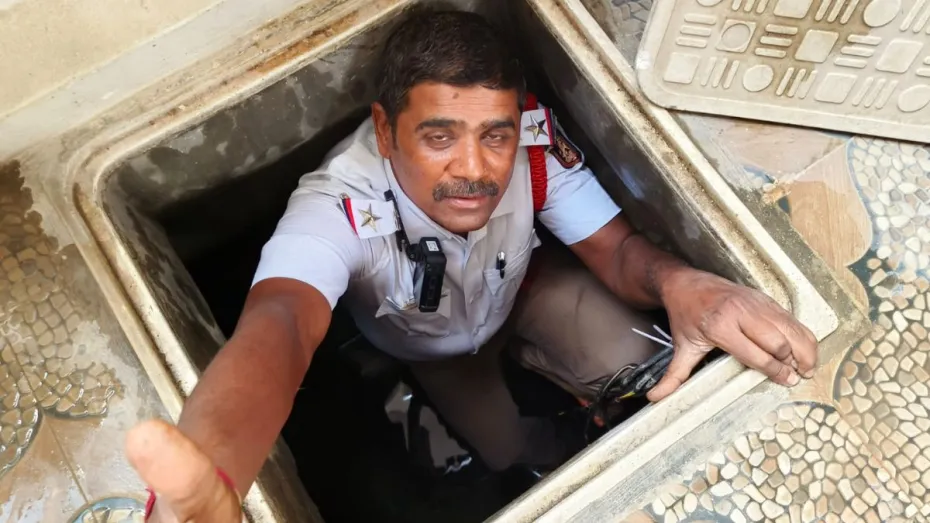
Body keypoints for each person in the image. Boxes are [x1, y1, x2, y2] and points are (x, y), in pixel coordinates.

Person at [126, 10, 818, 521]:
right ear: (386, 130)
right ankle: (551, 435)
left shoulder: (533, 145)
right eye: (439, 136)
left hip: (524, 290)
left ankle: (580, 393)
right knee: (506, 448)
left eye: (495, 134)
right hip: (437, 356)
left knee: (639, 355)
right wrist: (217, 464)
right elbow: (281, 325)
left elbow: (614, 249)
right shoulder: (339, 205)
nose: (475, 169)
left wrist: (686, 282)